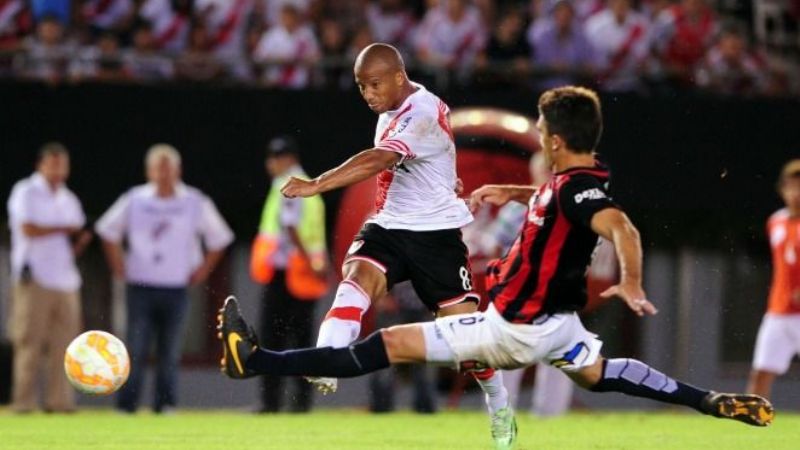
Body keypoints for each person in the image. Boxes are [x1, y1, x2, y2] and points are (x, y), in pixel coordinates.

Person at [218, 86, 774, 448]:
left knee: (381, 348)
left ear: (554, 141)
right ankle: (707, 401)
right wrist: (514, 191)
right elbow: (565, 200)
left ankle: (257, 360)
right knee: (603, 374)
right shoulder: (569, 183)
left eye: (538, 127)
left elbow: (618, 226)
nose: (534, 132)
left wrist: (630, 280)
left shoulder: (578, 194)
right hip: (558, 332)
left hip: (507, 329)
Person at [252, 42, 514, 448]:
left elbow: (379, 159)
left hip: (437, 238)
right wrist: (448, 180)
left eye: (374, 85)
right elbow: (439, 152)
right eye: (361, 87)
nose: (368, 95)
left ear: (398, 76)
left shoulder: (422, 111)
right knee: (356, 279)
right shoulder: (395, 106)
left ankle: (499, 405)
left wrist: (318, 183)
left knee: (470, 345)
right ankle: (327, 359)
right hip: (389, 227)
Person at [96, 144, 234, 413]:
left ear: (178, 170)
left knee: (170, 349)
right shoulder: (135, 199)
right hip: (140, 284)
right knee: (135, 346)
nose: (164, 174)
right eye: (159, 168)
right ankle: (127, 405)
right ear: (149, 171)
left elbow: (220, 238)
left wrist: (203, 270)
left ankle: (166, 403)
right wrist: (117, 265)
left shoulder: (194, 201)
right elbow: (107, 230)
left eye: (168, 168)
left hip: (176, 286)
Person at [6, 142, 92, 413]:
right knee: (29, 341)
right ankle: (24, 402)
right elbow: (28, 228)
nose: (58, 171)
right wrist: (65, 229)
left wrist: (80, 240)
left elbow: (76, 236)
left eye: (62, 165)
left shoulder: (69, 198)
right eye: (52, 164)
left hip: (65, 279)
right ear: (40, 165)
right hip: (35, 278)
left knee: (65, 346)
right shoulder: (26, 191)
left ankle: (60, 402)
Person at [249, 136, 330, 413]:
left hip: (288, 273)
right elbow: (315, 232)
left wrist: (310, 263)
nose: (270, 164)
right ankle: (301, 404)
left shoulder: (288, 183)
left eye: (275, 158)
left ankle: (271, 403)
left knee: (273, 340)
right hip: (302, 274)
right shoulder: (310, 184)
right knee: (303, 341)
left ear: (288, 159)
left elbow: (291, 227)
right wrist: (320, 265)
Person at [747, 159, 800, 399]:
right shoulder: (776, 221)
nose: (796, 193)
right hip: (778, 312)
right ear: (782, 189)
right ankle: (752, 425)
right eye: (791, 187)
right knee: (761, 373)